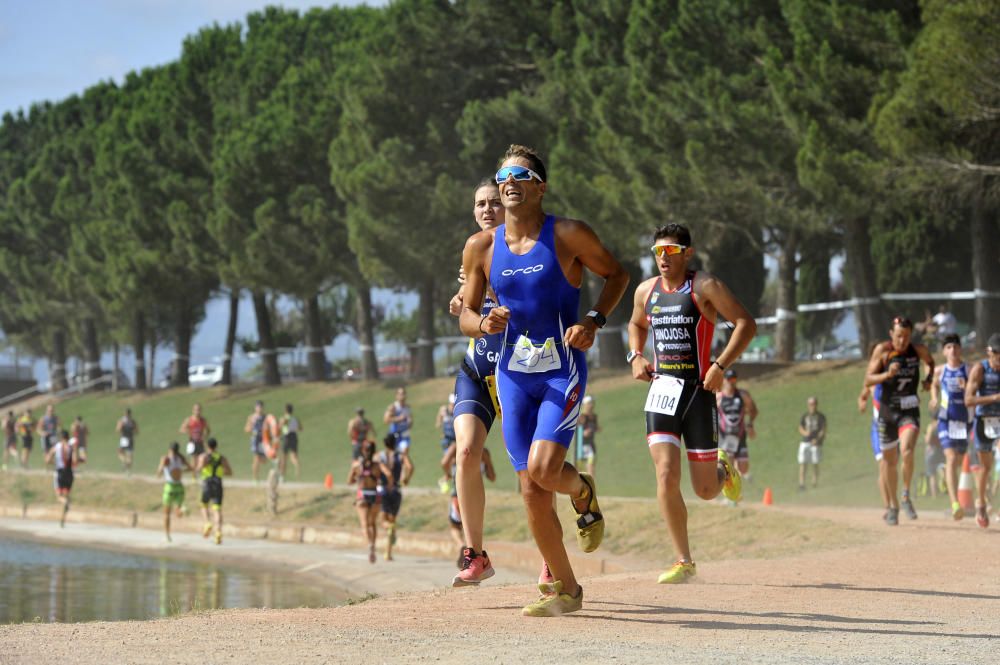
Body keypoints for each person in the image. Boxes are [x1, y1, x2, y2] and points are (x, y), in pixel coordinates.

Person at [459, 144, 630, 616]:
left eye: (520, 173)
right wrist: (483, 324)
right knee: (532, 492)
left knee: (542, 469)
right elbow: (467, 315)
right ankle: (568, 590)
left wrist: (592, 321)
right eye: (502, 174)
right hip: (512, 376)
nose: (508, 180)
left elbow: (617, 274)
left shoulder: (568, 234)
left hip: (561, 369)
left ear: (540, 186)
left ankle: (580, 491)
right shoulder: (482, 247)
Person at [626, 222, 753, 586]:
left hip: (699, 393)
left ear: (687, 253)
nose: (663, 259)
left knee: (705, 491)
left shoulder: (704, 287)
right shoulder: (645, 291)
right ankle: (684, 560)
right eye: (657, 252)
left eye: (670, 251)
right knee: (665, 472)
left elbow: (746, 323)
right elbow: (636, 324)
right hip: (662, 392)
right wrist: (635, 355)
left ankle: (722, 471)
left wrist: (720, 366)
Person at [447, 177, 508, 586]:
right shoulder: (473, 250)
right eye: (480, 204)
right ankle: (475, 554)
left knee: (534, 472)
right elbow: (468, 309)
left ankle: (550, 558)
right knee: (466, 452)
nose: (487, 209)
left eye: (494, 203)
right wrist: (461, 308)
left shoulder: (526, 249)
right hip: (477, 371)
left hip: (520, 374)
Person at [864, 316, 935, 525]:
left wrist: (929, 380)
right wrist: (886, 374)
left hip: (909, 408)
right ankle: (893, 505)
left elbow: (930, 362)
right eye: (898, 336)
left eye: (906, 337)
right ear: (891, 334)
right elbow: (868, 379)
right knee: (889, 461)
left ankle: (905, 494)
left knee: (907, 450)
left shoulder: (918, 350)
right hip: (887, 412)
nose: (902, 341)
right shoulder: (882, 351)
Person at [928, 334, 972, 518]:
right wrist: (934, 397)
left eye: (955, 347)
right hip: (945, 418)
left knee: (959, 460)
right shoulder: (940, 371)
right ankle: (955, 504)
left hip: (963, 421)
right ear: (944, 351)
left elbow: (976, 388)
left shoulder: (968, 369)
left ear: (960, 349)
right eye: (949, 347)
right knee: (952, 457)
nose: (952, 351)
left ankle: (947, 474)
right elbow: (934, 385)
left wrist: (967, 386)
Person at [964, 332, 1000, 528]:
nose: (999, 363)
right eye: (998, 358)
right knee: (985, 468)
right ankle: (981, 503)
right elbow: (968, 400)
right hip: (984, 421)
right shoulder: (980, 369)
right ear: (990, 353)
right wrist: (993, 398)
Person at [347, 439, 389, 564]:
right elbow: (388, 474)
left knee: (364, 524)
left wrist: (357, 477)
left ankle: (370, 545)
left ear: (362, 450)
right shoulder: (377, 465)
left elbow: (349, 481)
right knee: (373, 523)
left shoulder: (356, 465)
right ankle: (373, 545)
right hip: (374, 495)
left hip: (362, 495)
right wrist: (386, 483)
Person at [716, 368, 759, 484]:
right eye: (729, 379)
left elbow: (754, 410)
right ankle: (729, 494)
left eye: (734, 379)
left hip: (740, 436)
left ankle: (736, 491)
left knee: (744, 468)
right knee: (727, 465)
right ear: (724, 380)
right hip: (725, 437)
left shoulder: (742, 395)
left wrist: (750, 424)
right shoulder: (719, 397)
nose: (731, 382)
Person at [378, 433, 413, 561]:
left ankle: (389, 529)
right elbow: (410, 467)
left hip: (383, 490)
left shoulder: (380, 456)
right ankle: (388, 553)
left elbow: (379, 470)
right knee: (392, 521)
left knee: (383, 522)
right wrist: (406, 479)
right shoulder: (401, 455)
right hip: (397, 491)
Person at [196, 437, 232, 545]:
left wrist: (201, 468)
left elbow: (198, 469)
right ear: (216, 446)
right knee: (217, 508)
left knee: (204, 504)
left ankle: (207, 523)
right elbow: (229, 472)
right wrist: (219, 472)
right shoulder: (221, 458)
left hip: (207, 483)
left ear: (207, 446)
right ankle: (218, 533)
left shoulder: (203, 457)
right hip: (218, 483)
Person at [157, 442, 193, 542]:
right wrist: (181, 471)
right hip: (180, 487)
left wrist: (161, 468)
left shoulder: (166, 459)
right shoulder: (181, 458)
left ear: (169, 449)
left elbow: (158, 473)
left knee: (166, 514)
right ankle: (183, 509)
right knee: (178, 513)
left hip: (170, 487)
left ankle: (167, 535)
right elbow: (191, 468)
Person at [44, 429, 78, 528]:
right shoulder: (71, 447)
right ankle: (62, 520)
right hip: (70, 473)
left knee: (59, 497)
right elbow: (75, 461)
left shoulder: (57, 447)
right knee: (66, 496)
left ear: (61, 437)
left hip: (60, 473)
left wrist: (54, 463)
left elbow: (47, 459)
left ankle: (66, 503)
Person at [797, 397, 826, 490]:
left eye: (813, 404)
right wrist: (805, 433)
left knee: (815, 463)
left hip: (815, 443)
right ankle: (801, 484)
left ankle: (814, 482)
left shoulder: (821, 417)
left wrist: (817, 439)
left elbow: (823, 430)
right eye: (810, 405)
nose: (812, 406)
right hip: (805, 442)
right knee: (803, 462)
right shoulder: (805, 416)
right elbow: (800, 427)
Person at [244, 400, 275, 483]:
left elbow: (270, 429)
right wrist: (252, 430)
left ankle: (259, 476)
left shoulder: (266, 417)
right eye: (258, 406)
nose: (260, 408)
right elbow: (246, 429)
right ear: (255, 408)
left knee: (264, 460)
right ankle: (255, 478)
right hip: (255, 440)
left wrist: (271, 436)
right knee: (256, 458)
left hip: (264, 440)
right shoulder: (251, 417)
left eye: (261, 406)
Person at [383, 388, 413, 456]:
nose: (402, 395)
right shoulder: (393, 407)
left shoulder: (407, 407)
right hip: (395, 435)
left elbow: (410, 421)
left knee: (404, 454)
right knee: (393, 456)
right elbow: (386, 420)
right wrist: (399, 419)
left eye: (404, 393)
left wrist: (410, 422)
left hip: (405, 435)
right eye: (400, 394)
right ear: (396, 396)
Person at [919, 423, 945, 499]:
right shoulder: (942, 424)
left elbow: (928, 440)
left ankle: (934, 495)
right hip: (941, 450)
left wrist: (926, 436)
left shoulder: (931, 426)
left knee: (932, 475)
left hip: (931, 452)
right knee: (944, 471)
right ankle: (945, 491)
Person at [278, 403, 302, 481]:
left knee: (284, 458)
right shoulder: (295, 418)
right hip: (294, 436)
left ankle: (282, 476)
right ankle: (297, 466)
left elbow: (280, 426)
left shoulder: (284, 418)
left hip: (286, 437)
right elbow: (300, 428)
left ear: (285, 410)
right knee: (293, 456)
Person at [578, 395, 599, 478]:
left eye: (592, 403)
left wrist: (595, 429)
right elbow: (577, 432)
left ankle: (591, 486)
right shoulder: (582, 417)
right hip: (581, 446)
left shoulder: (594, 417)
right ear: (585, 405)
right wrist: (583, 433)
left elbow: (596, 428)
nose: (592, 405)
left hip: (590, 445)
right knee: (579, 469)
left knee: (591, 466)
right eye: (589, 403)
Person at [115, 408, 139, 475]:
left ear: (125, 413)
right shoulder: (133, 421)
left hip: (124, 438)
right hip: (131, 439)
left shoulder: (122, 420)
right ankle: (128, 471)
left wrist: (121, 428)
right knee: (130, 455)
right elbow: (137, 431)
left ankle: (124, 461)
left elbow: (118, 429)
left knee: (120, 452)